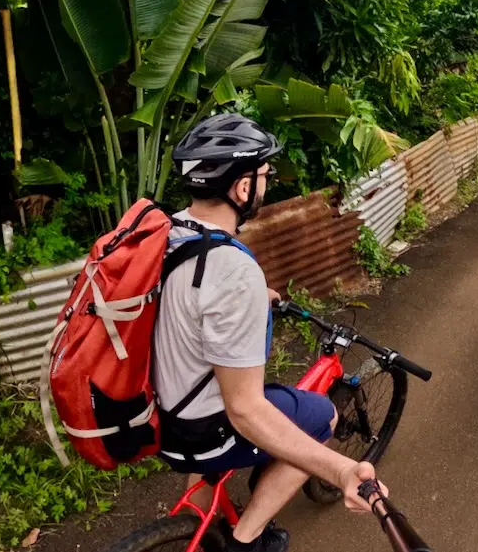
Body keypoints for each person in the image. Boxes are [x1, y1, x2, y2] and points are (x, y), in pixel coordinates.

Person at [154, 113, 381, 552]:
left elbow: (194, 300)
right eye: (264, 174)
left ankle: (198, 515)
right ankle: (247, 538)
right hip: (207, 428)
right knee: (322, 417)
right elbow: (244, 410)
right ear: (241, 188)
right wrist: (338, 469)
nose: (267, 182)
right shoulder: (233, 270)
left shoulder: (170, 232)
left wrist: (259, 292)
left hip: (162, 416)